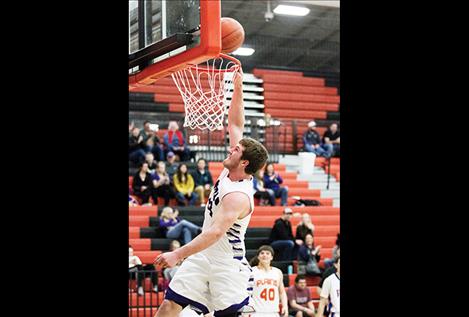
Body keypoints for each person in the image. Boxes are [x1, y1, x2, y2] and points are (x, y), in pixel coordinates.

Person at [154, 68, 269, 317]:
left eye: (235, 150)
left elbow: (215, 232)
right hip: (203, 256)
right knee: (169, 305)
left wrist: (177, 254)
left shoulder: (238, 196)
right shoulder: (232, 170)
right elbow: (236, 123)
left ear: (245, 162)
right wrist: (237, 87)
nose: (230, 150)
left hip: (227, 264)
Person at [248, 245, 289, 317]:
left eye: (267, 253)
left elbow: (282, 292)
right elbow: (246, 292)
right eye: (262, 253)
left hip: (273, 312)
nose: (264, 255)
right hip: (257, 312)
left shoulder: (277, 272)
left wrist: (285, 306)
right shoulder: (251, 271)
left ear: (271, 257)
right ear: (258, 257)